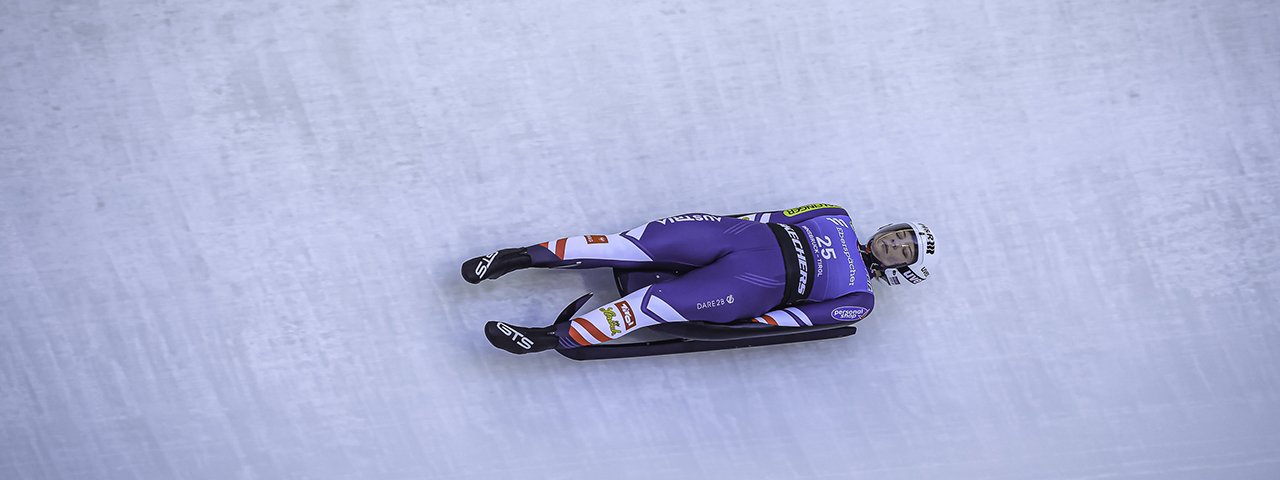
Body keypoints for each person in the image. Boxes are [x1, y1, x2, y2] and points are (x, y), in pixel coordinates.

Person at [461, 203, 936, 355]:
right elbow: (763, 213)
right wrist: (706, 223)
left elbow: (791, 322)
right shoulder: (835, 214)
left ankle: (548, 338)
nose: (894, 244)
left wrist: (725, 326)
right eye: (899, 235)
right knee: (625, 245)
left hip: (751, 287)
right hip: (737, 236)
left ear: (902, 270)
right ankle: (515, 257)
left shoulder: (859, 299)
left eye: (903, 250)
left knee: (649, 305)